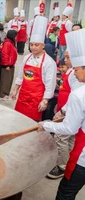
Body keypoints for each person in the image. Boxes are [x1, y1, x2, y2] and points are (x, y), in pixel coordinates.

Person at [38, 28, 85, 200]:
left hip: (82, 158)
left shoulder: (79, 94)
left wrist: (46, 124)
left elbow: (70, 128)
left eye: (78, 69)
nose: (75, 72)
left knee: (65, 193)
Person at [11, 16, 57, 121]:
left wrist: (45, 100)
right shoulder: (27, 58)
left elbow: (50, 84)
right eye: (31, 45)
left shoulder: (49, 62)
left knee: (32, 124)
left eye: (36, 45)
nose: (33, 47)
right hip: (23, 97)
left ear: (43, 45)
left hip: (36, 99)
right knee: (18, 120)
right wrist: (15, 90)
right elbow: (20, 75)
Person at [47, 50, 84, 179]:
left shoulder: (77, 77)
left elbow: (75, 97)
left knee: (61, 137)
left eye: (68, 57)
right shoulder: (71, 72)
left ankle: (62, 166)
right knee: (69, 139)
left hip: (70, 112)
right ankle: (67, 162)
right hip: (67, 109)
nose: (65, 60)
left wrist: (62, 112)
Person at [0, 30, 17, 99]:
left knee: (9, 79)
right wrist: (6, 65)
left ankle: (6, 92)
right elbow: (4, 54)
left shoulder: (11, 43)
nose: (16, 37)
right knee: (6, 80)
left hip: (11, 64)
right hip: (7, 66)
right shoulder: (7, 43)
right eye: (15, 36)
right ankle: (3, 94)